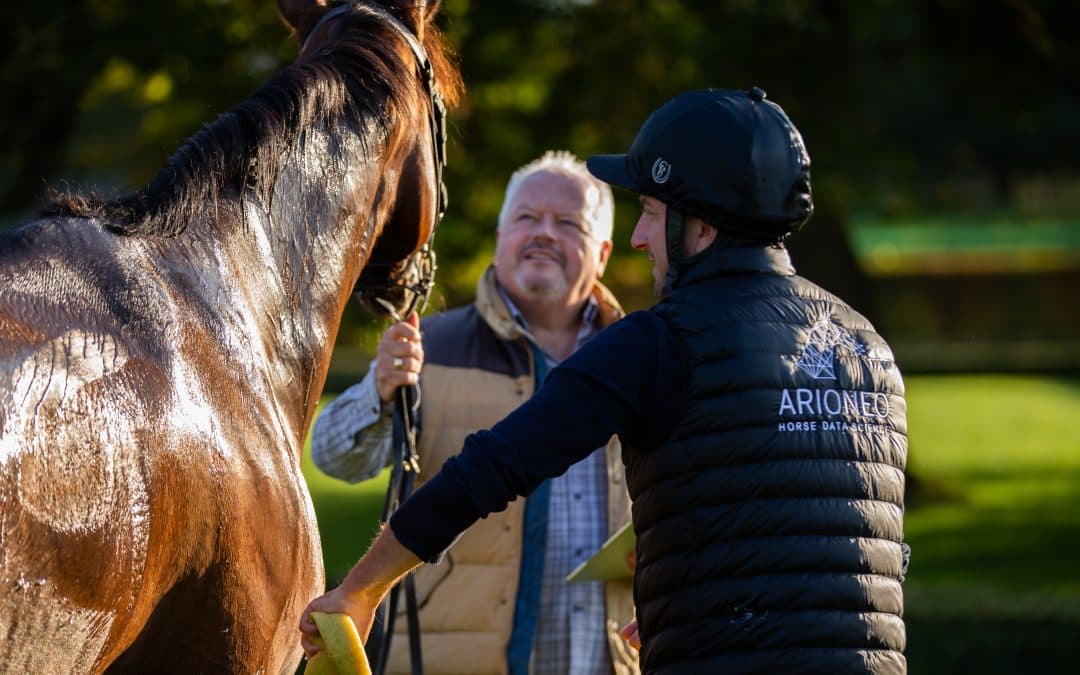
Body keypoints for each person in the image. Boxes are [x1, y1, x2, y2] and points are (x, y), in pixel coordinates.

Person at [301, 88, 909, 674]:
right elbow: (844, 538)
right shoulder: (867, 348)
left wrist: (361, 590)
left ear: (699, 224)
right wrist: (688, 592)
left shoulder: (658, 343)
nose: (642, 238)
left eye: (649, 211)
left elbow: (494, 467)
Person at [310, 150, 640, 674]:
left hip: (607, 660)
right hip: (447, 659)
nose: (544, 233)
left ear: (601, 254)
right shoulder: (429, 344)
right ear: (501, 235)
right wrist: (380, 389)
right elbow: (333, 459)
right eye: (527, 218)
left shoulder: (639, 358)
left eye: (568, 223)